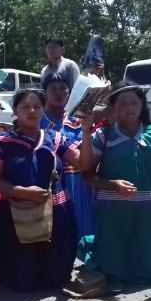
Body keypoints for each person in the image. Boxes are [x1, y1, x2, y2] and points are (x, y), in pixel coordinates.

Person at [77, 82, 151, 290]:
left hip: (149, 213)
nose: (129, 107)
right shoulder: (104, 136)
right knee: (113, 264)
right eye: (123, 103)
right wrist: (112, 185)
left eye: (133, 102)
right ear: (113, 108)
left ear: (142, 105)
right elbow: (87, 175)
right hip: (113, 214)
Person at [0, 89, 81, 291]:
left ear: (43, 109)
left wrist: (88, 130)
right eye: (25, 106)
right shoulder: (1, 143)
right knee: (22, 280)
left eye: (37, 106)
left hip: (57, 214)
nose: (32, 110)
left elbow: (83, 163)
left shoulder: (55, 139)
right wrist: (20, 191)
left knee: (57, 277)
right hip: (17, 215)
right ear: (15, 111)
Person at [40, 74, 96, 241]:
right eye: (53, 89)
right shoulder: (38, 120)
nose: (58, 93)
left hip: (79, 181)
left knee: (83, 230)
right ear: (45, 93)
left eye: (63, 89)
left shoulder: (78, 121)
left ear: (70, 92)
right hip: (50, 183)